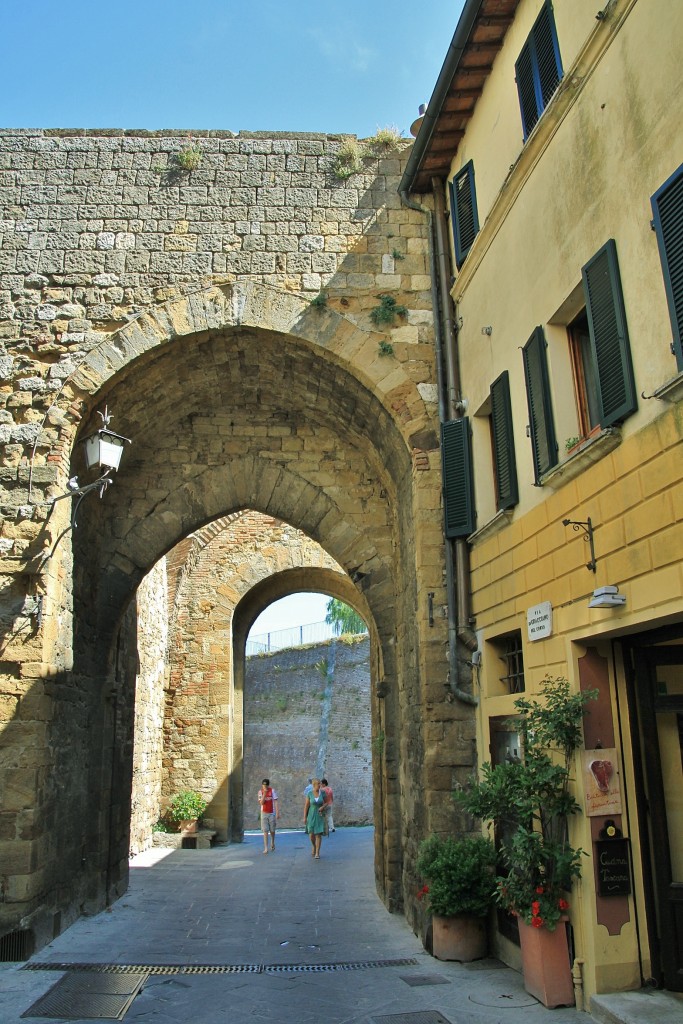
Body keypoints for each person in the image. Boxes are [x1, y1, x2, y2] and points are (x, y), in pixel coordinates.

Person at [303, 778, 326, 858]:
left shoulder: (323, 793)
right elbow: (306, 806)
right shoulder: (309, 794)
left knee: (318, 834)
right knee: (311, 834)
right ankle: (314, 845)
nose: (320, 785)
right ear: (314, 785)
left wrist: (323, 807)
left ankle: (317, 853)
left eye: (320, 784)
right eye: (318, 784)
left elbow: (326, 803)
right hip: (311, 815)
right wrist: (305, 817)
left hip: (319, 815)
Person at [258, 778, 279, 854]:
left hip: (271, 812)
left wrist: (277, 813)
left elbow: (276, 802)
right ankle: (266, 847)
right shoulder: (260, 792)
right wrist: (264, 794)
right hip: (264, 812)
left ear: (268, 785)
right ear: (262, 785)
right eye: (263, 785)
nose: (265, 787)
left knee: (272, 830)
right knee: (265, 830)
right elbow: (261, 803)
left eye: (266, 785)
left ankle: (272, 841)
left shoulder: (272, 791)